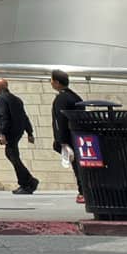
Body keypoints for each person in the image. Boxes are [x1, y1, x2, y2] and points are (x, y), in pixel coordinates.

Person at [0, 79, 39, 195]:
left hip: (10, 132)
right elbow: (24, 117)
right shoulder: (16, 99)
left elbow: (3, 116)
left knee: (12, 155)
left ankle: (28, 182)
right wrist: (29, 132)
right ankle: (28, 182)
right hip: (17, 131)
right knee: (12, 155)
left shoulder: (1, 99)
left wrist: (2, 133)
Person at [49, 70, 86, 205]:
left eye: (51, 80)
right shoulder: (75, 97)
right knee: (81, 165)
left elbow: (60, 121)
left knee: (77, 166)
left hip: (69, 138)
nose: (51, 83)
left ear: (57, 82)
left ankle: (83, 192)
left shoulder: (61, 99)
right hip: (80, 136)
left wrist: (62, 141)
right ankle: (85, 190)